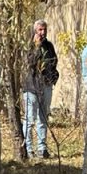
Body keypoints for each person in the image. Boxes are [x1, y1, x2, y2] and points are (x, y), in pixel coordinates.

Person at [22, 19, 58, 158]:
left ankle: (42, 148)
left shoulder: (49, 45)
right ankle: (28, 148)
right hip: (32, 86)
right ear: (35, 31)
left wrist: (54, 75)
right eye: (40, 30)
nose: (43, 32)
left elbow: (54, 61)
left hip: (46, 85)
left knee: (43, 118)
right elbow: (30, 63)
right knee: (30, 119)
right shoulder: (29, 45)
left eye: (44, 29)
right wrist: (37, 47)